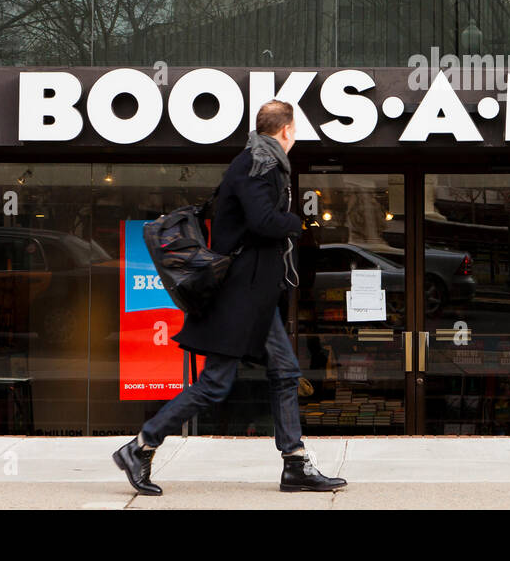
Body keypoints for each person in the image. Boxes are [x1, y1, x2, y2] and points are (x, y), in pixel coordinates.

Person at [113, 99, 347, 495]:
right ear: (287, 130)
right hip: (240, 294)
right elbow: (262, 221)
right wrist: (299, 222)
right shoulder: (261, 164)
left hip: (255, 295)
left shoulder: (258, 160)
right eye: (296, 130)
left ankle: (295, 463)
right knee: (215, 385)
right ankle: (141, 446)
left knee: (286, 374)